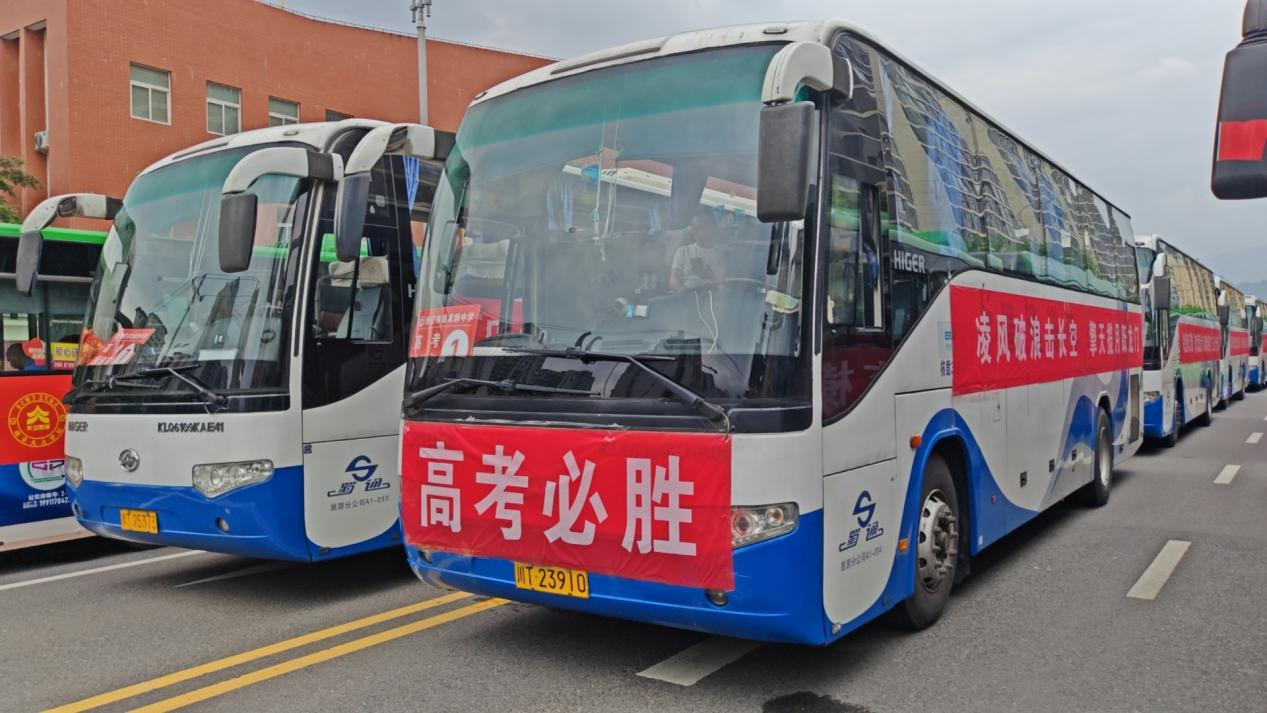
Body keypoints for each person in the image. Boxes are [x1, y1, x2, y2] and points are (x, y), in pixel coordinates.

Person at [669, 209, 727, 292]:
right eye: (693, 227)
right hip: (686, 292)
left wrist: (711, 276)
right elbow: (673, 280)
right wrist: (684, 292)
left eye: (700, 227)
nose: (694, 231)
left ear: (712, 228)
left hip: (713, 294)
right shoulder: (683, 251)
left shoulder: (724, 252)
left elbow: (728, 284)